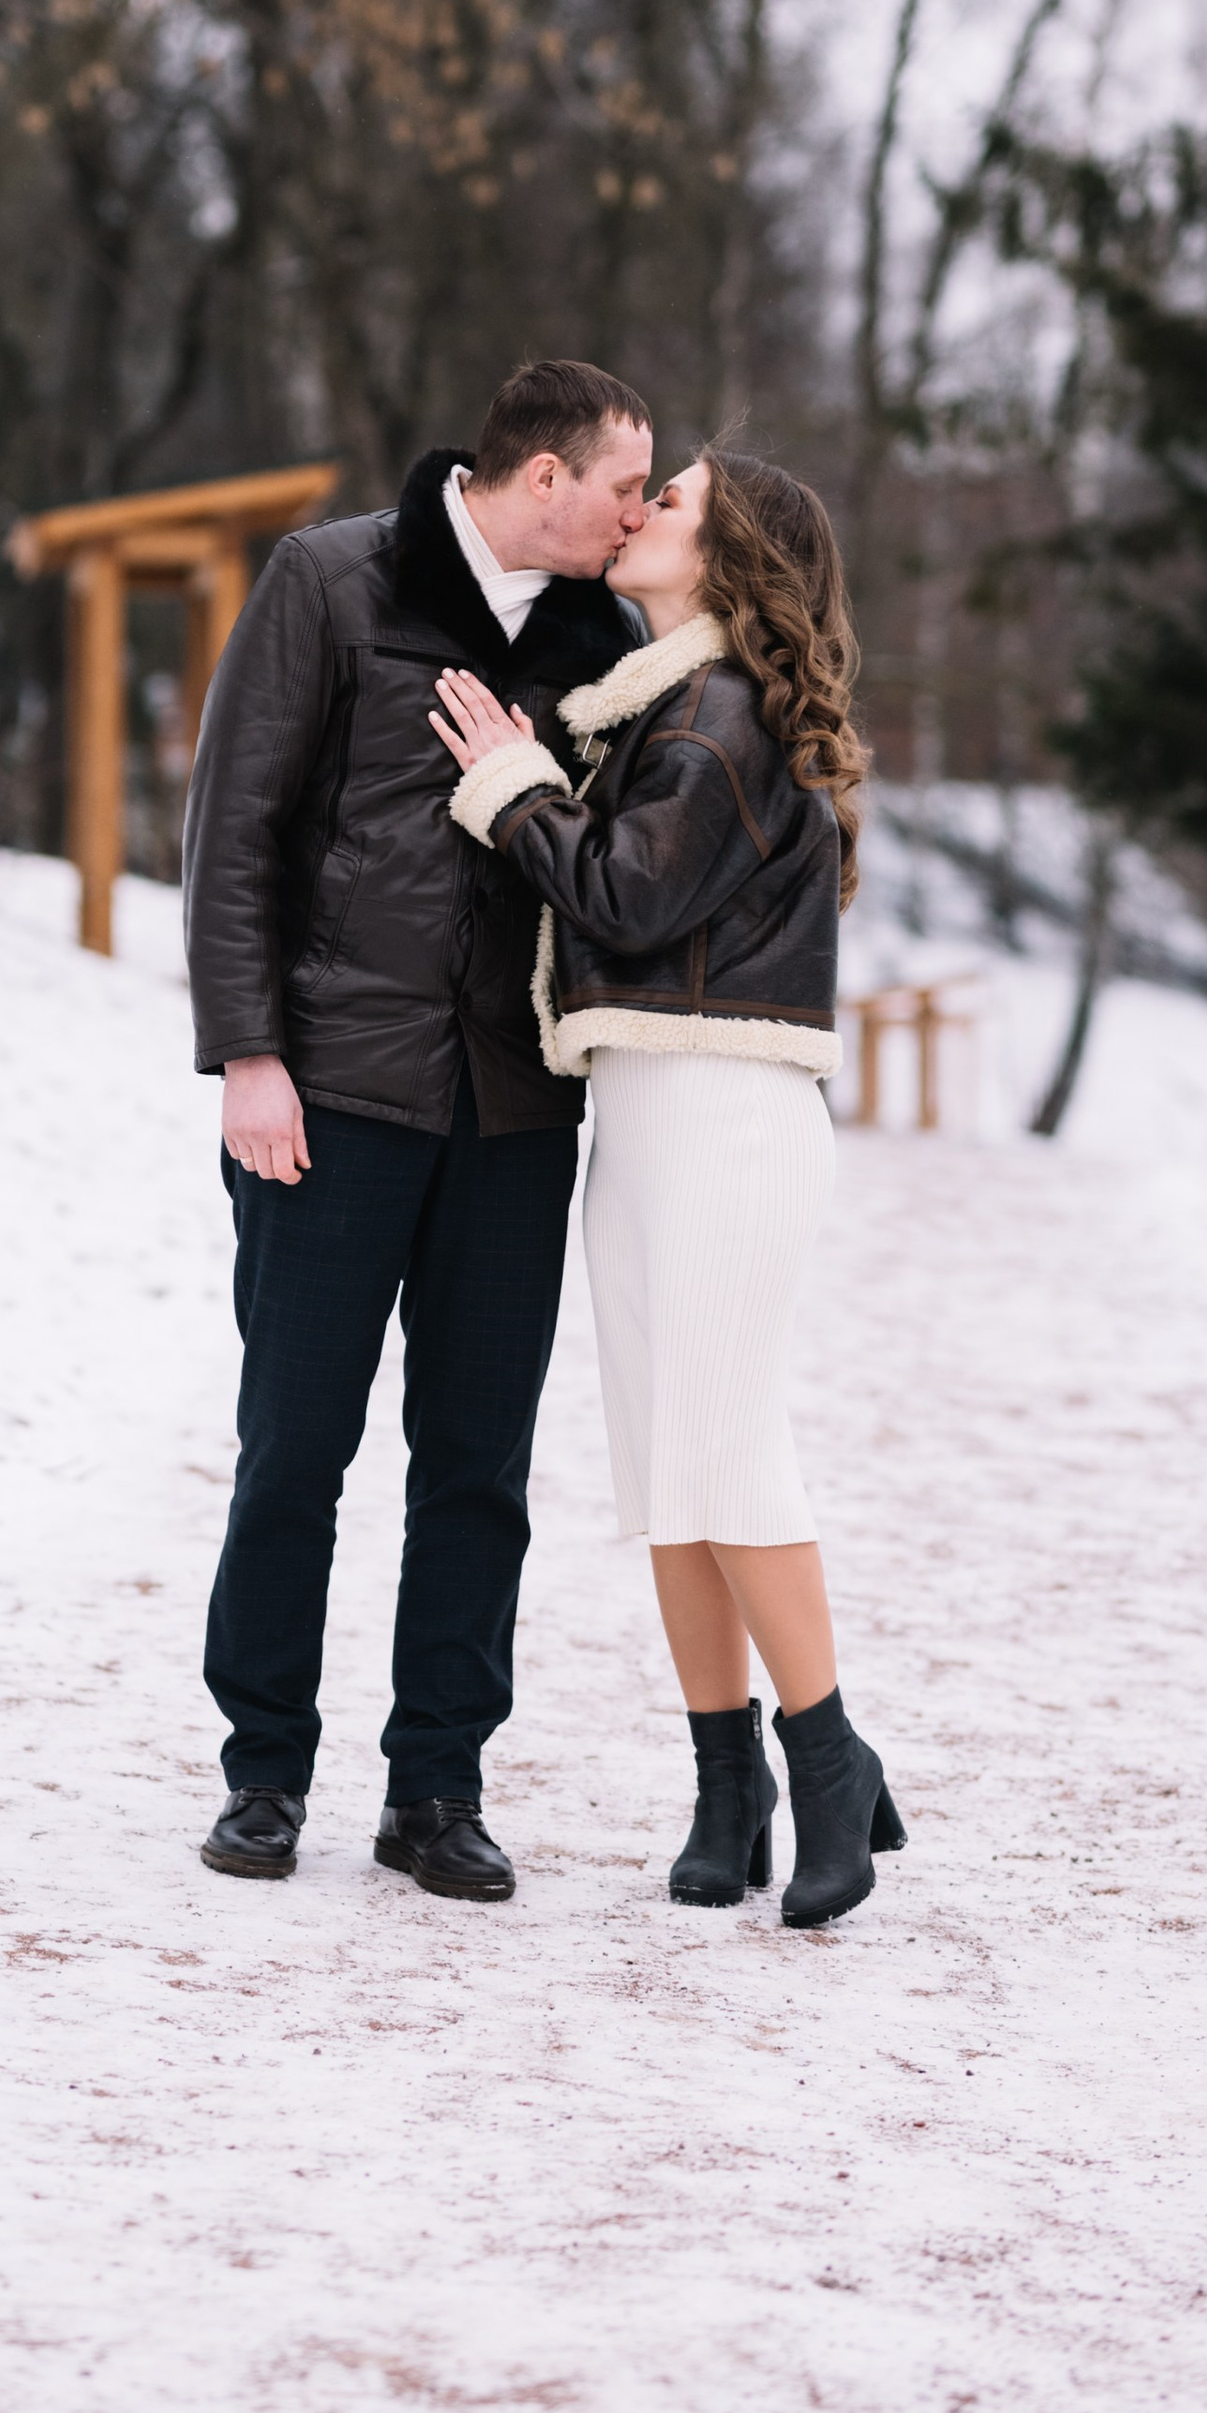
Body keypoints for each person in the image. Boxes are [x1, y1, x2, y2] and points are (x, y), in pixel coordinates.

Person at [181, 361, 652, 1897]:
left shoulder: (606, 638)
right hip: (333, 1096)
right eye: (623, 486)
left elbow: (617, 865)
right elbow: (233, 830)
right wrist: (249, 1053)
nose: (639, 514)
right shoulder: (332, 583)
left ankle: (437, 1788)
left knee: (477, 1467)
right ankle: (263, 1773)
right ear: (542, 479)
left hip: (513, 1113)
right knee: (293, 1450)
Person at [427, 447, 906, 1930]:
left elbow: (630, 894)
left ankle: (828, 1762)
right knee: (670, 1471)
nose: (640, 513)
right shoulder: (660, 709)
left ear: (732, 557)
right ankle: (725, 1784)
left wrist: (512, 792)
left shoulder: (721, 717)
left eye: (673, 501)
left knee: (731, 1452)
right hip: (646, 1113)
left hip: (725, 1120)